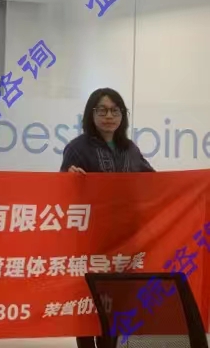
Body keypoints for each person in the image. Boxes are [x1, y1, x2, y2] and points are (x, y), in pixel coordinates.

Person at [60, 87, 154, 348]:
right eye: (102, 110)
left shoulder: (130, 149)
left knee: (116, 302)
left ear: (123, 115)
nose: (109, 116)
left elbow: (154, 182)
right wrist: (70, 178)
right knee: (88, 301)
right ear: (91, 114)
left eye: (115, 110)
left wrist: (189, 186)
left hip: (125, 240)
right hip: (91, 240)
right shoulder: (77, 148)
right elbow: (61, 188)